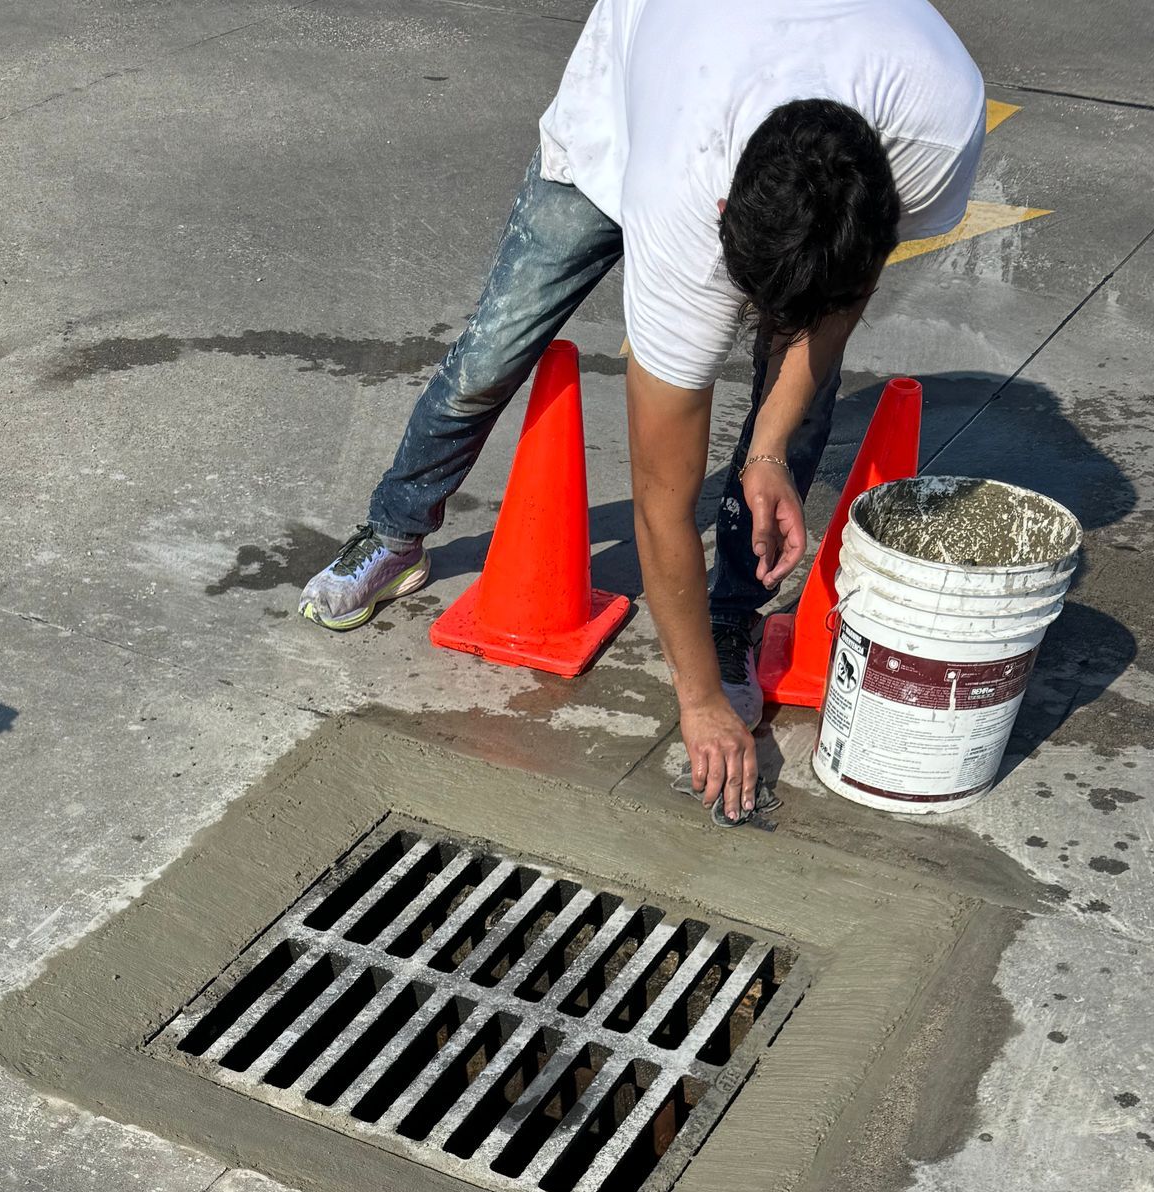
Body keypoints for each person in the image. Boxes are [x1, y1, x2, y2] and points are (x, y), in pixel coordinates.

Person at [297, 0, 985, 820]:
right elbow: (664, 498)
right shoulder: (679, 202)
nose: (766, 325)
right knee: (494, 350)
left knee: (798, 405)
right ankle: (397, 527)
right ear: (727, 223)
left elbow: (845, 287)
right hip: (639, 88)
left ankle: (731, 612)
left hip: (780, 73)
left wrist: (768, 449)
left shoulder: (938, 127)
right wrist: (696, 704)